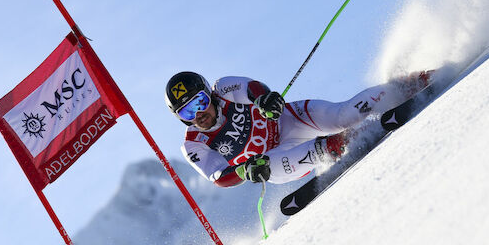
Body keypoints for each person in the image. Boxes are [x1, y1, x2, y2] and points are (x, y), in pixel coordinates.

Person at [164, 71, 433, 187]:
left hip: (289, 121)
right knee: (265, 165)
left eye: (199, 102)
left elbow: (252, 88)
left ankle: (412, 83)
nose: (199, 115)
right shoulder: (193, 144)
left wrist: (265, 100)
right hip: (279, 161)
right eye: (187, 112)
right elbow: (219, 177)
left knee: (344, 113)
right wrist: (244, 170)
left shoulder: (222, 88)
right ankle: (337, 144)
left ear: (207, 94)